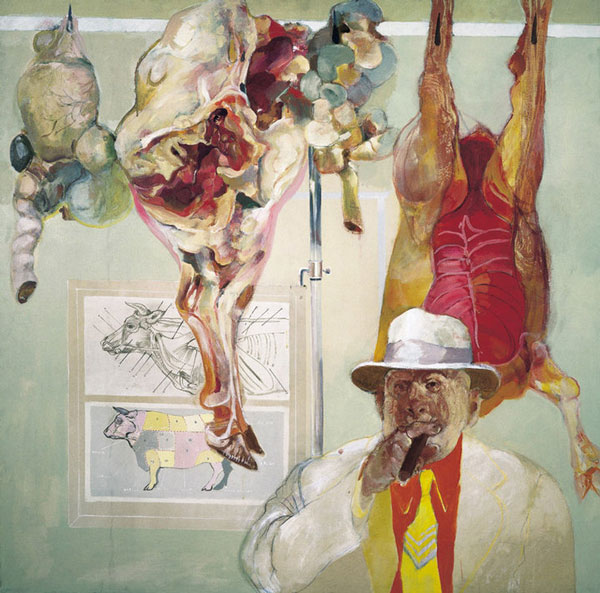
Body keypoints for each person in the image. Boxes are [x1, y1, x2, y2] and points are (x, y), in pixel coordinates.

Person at [241, 309, 574, 593]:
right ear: (381, 402)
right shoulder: (317, 478)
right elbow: (269, 574)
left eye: (433, 385)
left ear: (472, 406)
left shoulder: (531, 492)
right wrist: (363, 487)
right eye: (400, 386)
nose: (415, 404)